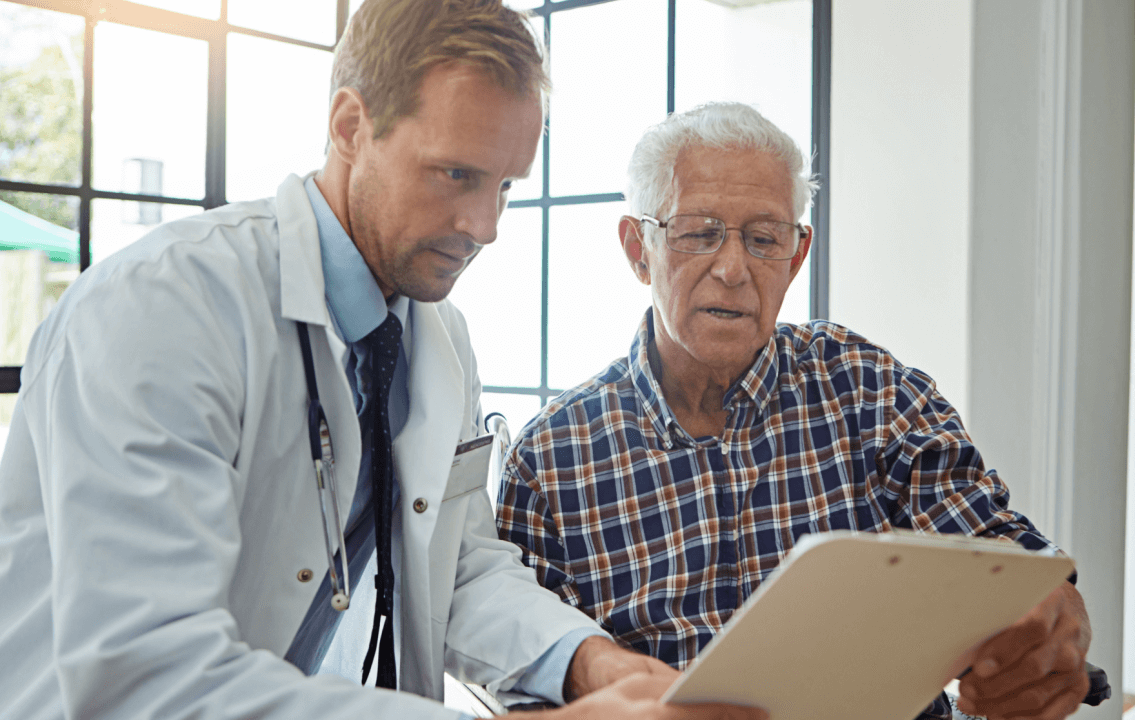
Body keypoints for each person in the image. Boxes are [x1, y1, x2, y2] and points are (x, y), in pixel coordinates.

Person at [0, 3, 767, 719]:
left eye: (505, 186)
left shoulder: (438, 337)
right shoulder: (164, 308)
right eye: (456, 175)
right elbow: (149, 674)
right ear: (349, 126)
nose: (485, 225)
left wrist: (588, 662)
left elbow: (459, 565)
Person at [496, 102, 1110, 720]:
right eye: (699, 232)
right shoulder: (552, 458)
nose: (733, 269)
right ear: (639, 248)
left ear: (795, 256)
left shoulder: (865, 387)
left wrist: (1051, 611)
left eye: (764, 240)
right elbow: (531, 678)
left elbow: (999, 552)